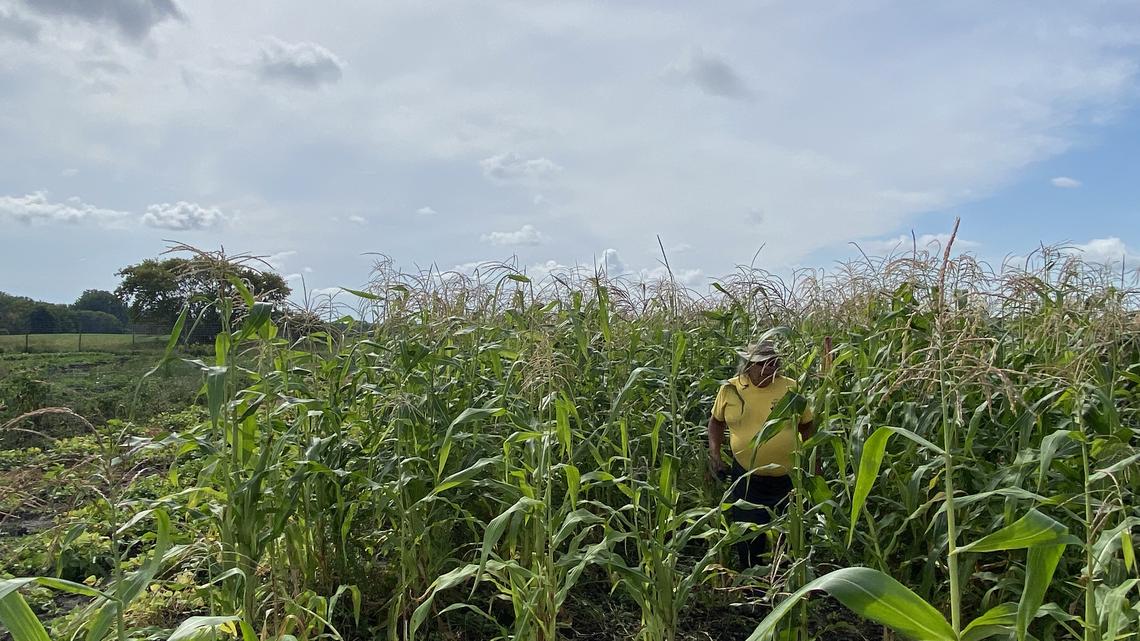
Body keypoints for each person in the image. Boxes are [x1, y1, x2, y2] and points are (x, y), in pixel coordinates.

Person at [708, 340, 815, 569]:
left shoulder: (791, 387)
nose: (770, 369)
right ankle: (750, 587)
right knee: (747, 537)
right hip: (746, 479)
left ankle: (788, 584)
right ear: (748, 366)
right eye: (763, 364)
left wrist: (813, 461)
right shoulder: (730, 389)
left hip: (789, 480)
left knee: (790, 538)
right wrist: (714, 454)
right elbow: (716, 422)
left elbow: (806, 425)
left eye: (774, 363)